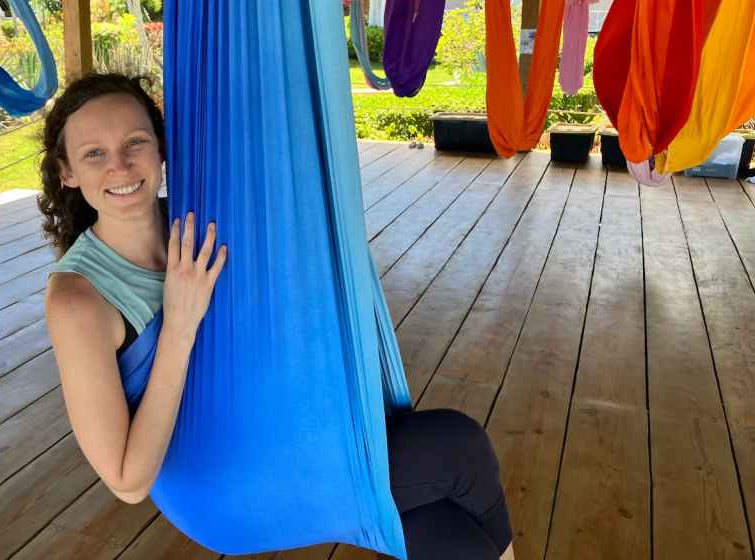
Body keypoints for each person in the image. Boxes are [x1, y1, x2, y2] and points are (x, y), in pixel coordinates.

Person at [39, 73, 516, 560]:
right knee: (458, 447)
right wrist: (179, 323)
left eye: (134, 142)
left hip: (274, 426)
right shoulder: (79, 298)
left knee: (443, 526)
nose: (119, 166)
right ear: (67, 171)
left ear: (161, 148)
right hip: (219, 482)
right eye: (93, 153)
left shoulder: (198, 217)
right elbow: (126, 480)